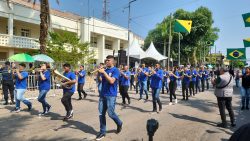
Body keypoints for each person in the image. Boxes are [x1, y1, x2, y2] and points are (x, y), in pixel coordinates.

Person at [96, 55, 123, 140]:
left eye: (108, 60)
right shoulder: (105, 70)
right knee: (101, 114)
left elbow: (111, 81)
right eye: (105, 60)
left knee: (110, 113)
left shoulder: (116, 70)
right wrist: (98, 74)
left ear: (113, 61)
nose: (106, 62)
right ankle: (102, 132)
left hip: (111, 95)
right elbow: (101, 80)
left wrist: (104, 72)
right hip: (103, 94)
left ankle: (119, 123)